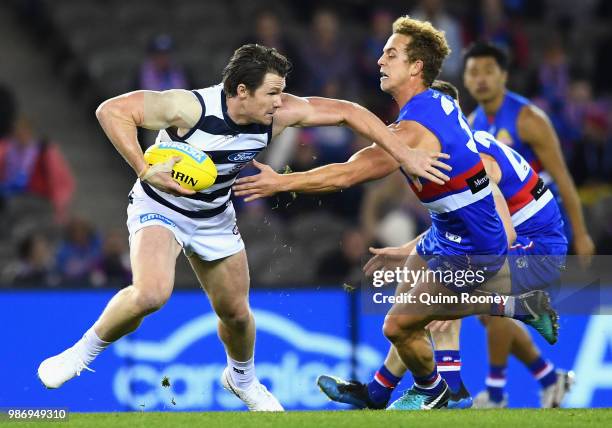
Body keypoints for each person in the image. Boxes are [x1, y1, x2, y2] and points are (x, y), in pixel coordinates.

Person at [36, 43, 451, 412]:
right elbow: (111, 110)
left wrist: (403, 154)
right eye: (272, 91)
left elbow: (350, 113)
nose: (280, 100)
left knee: (236, 314)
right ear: (240, 91)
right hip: (161, 206)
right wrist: (145, 168)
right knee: (151, 293)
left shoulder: (279, 113)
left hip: (215, 216)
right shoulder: (189, 107)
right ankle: (80, 354)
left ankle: (242, 378)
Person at [233, 19, 558, 410]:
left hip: (480, 245)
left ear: (416, 67)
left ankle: (443, 388)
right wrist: (412, 246)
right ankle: (381, 392)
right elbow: (352, 123)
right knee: (406, 293)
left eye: (391, 54)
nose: (380, 60)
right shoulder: (438, 103)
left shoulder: (416, 131)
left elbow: (352, 172)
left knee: (399, 324)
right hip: (450, 231)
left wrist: (283, 182)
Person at [312, 81, 573, 410]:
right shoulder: (456, 150)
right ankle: (383, 390)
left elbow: (500, 237)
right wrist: (409, 248)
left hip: (535, 251)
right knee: (414, 291)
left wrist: (458, 282)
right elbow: (456, 228)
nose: (411, 128)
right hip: (507, 241)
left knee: (430, 302)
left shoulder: (476, 163)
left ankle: (452, 383)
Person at [463, 41, 595, 265]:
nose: (481, 79)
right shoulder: (472, 123)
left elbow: (562, 177)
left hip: (543, 222)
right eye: (474, 72)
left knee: (537, 296)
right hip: (508, 221)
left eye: (489, 71)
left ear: (504, 76)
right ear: (465, 80)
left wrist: (581, 235)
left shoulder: (530, 119)